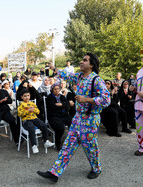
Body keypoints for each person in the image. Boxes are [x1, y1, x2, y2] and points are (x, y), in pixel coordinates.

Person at [37, 53, 110, 182]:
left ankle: (96, 169)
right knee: (68, 145)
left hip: (90, 119)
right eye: (82, 59)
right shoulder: (79, 77)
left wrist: (87, 99)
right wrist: (54, 68)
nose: (81, 62)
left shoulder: (96, 80)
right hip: (77, 118)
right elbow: (66, 75)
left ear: (92, 65)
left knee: (90, 147)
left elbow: (106, 99)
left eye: (85, 60)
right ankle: (54, 173)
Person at [17, 89, 55, 154]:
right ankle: (34, 145)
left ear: (30, 96)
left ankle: (46, 141)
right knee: (31, 128)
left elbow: (38, 112)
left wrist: (33, 110)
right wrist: (28, 111)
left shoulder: (32, 103)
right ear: (22, 97)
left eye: (28, 95)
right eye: (25, 96)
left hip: (35, 118)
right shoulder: (21, 104)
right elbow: (20, 114)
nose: (27, 97)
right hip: (26, 120)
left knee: (44, 125)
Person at [46, 84, 71, 151]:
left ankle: (71, 141)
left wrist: (61, 104)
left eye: (58, 89)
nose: (57, 90)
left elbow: (67, 105)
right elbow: (52, 107)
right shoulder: (49, 97)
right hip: (53, 116)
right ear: (52, 90)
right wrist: (63, 105)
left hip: (63, 115)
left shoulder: (62, 97)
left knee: (73, 123)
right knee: (60, 128)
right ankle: (58, 143)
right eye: (55, 89)